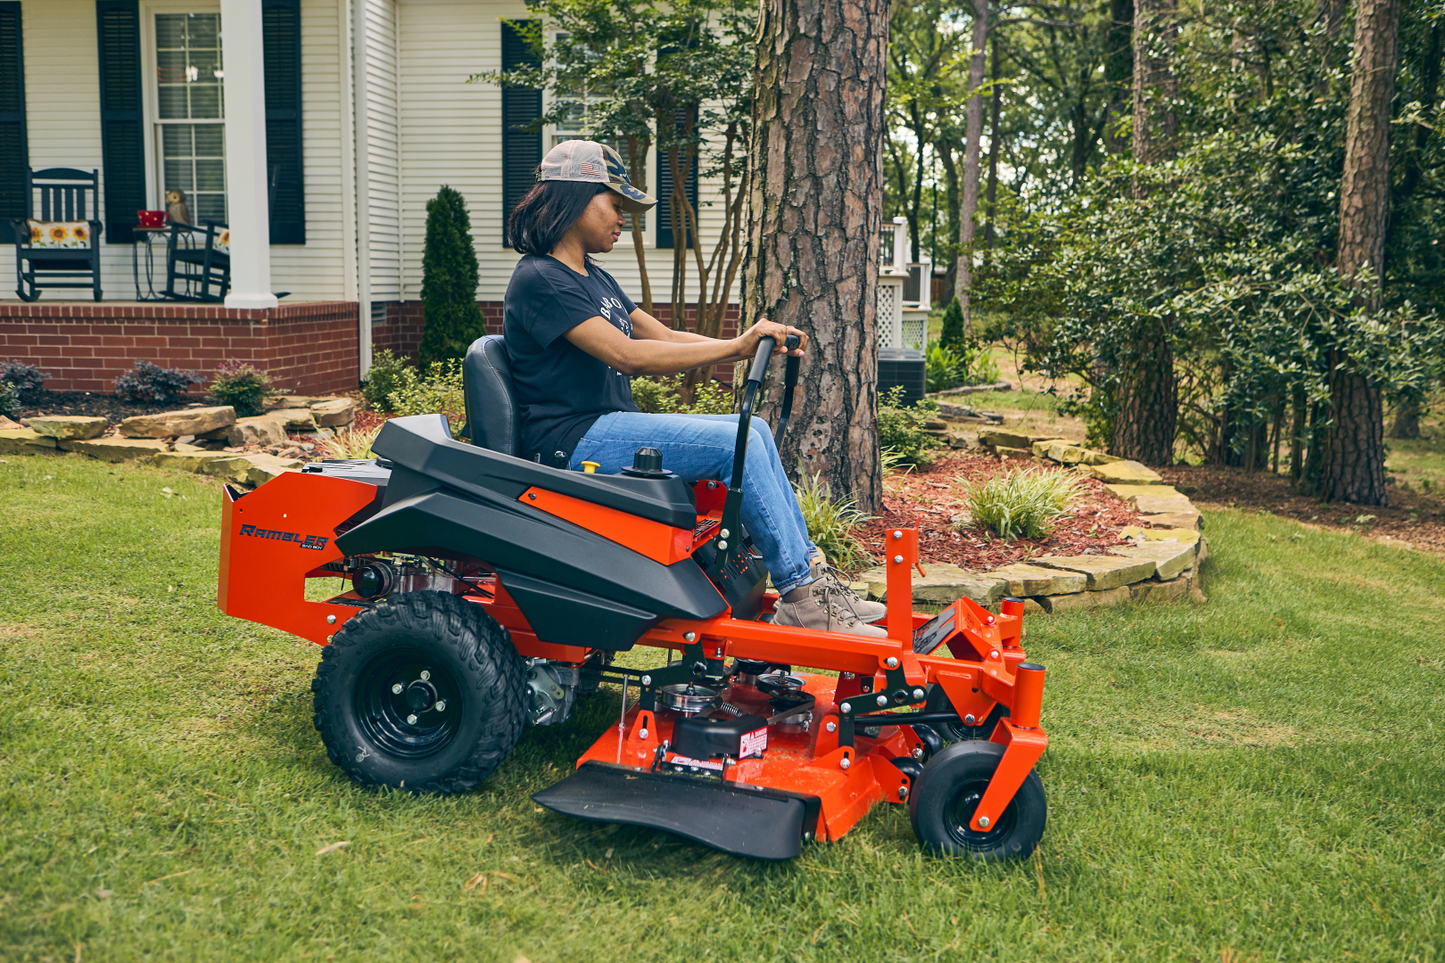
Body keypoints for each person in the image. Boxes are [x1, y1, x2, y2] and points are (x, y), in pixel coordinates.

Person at [502, 140, 886, 637]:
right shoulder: (540, 279)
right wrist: (735, 347)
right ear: (576, 198)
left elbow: (662, 337)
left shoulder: (592, 278)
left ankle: (813, 582)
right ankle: (801, 595)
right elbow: (627, 355)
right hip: (569, 440)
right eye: (615, 205)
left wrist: (746, 342)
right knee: (736, 441)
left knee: (756, 431)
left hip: (605, 427)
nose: (624, 219)